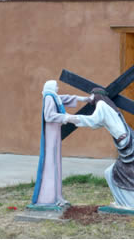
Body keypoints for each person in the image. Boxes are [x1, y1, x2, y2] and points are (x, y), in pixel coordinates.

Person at [68, 88, 134, 211]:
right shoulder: (108, 107)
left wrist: (68, 118)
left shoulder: (101, 105)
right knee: (118, 173)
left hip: (128, 145)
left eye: (91, 95)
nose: (90, 98)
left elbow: (92, 120)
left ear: (96, 96)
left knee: (126, 174)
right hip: (130, 143)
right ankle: (128, 202)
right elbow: (96, 124)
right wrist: (81, 102)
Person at [31, 80, 91, 208]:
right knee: (51, 163)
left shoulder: (54, 97)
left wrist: (84, 99)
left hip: (55, 133)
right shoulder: (48, 97)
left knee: (56, 162)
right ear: (51, 87)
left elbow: (66, 98)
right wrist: (66, 117)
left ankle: (57, 196)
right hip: (50, 134)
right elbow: (48, 116)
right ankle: (48, 197)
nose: (58, 87)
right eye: (56, 85)